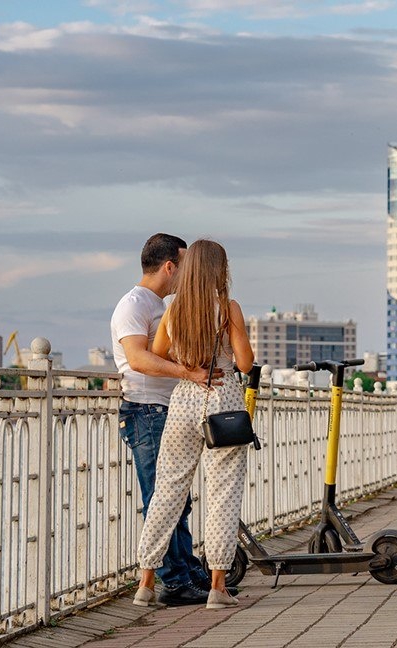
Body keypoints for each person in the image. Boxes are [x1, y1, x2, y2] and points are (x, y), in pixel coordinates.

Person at [138, 239, 254, 610]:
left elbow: (157, 353)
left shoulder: (174, 309)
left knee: (168, 489)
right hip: (222, 399)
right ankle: (217, 588)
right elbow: (246, 363)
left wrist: (189, 364)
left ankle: (146, 582)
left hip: (184, 400)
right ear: (221, 270)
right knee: (223, 493)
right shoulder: (227, 308)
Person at [111, 233, 216, 608]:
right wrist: (189, 373)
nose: (187, 276)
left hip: (165, 412)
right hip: (146, 410)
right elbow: (138, 359)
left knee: (178, 498)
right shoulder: (133, 305)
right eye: (185, 268)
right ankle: (174, 582)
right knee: (163, 498)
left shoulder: (158, 305)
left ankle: (188, 573)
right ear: (170, 266)